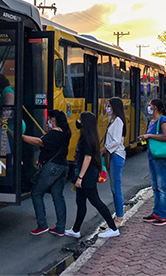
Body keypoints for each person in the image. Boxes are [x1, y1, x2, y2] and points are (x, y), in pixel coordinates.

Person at [65, 112, 119, 239]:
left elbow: (87, 158)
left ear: (85, 122)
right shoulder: (88, 136)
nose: (77, 121)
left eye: (80, 119)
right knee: (81, 202)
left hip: (87, 175)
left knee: (95, 201)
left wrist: (80, 178)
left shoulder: (87, 138)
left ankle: (113, 227)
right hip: (86, 174)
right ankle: (76, 229)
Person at [22, 110, 71, 236]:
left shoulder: (54, 133)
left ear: (53, 119)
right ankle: (60, 228)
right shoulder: (66, 132)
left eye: (49, 119)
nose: (47, 121)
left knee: (36, 193)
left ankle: (42, 225)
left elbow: (39, 142)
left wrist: (21, 136)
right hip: (63, 166)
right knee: (58, 196)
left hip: (52, 168)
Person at [139, 99, 166, 226]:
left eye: (150, 106)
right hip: (152, 155)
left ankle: (164, 215)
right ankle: (156, 212)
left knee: (162, 186)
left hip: (161, 157)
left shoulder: (162, 120)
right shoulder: (151, 121)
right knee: (155, 186)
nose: (148, 108)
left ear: (156, 108)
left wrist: (149, 136)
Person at [100, 97, 127, 228]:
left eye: (109, 106)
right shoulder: (114, 121)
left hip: (116, 156)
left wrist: (104, 149)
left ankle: (120, 217)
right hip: (113, 155)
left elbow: (116, 141)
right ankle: (117, 215)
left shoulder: (118, 122)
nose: (107, 108)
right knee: (113, 187)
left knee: (116, 187)